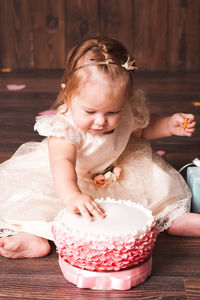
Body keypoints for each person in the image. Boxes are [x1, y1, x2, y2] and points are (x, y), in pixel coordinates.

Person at [0, 37, 198, 259]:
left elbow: (143, 128)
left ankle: (176, 220)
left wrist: (168, 125)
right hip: (69, 179)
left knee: (157, 191)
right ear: (67, 94)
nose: (101, 121)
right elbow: (61, 163)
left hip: (119, 172)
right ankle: (34, 237)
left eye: (112, 112)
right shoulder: (65, 128)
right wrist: (73, 195)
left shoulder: (124, 111)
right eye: (90, 112)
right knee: (44, 204)